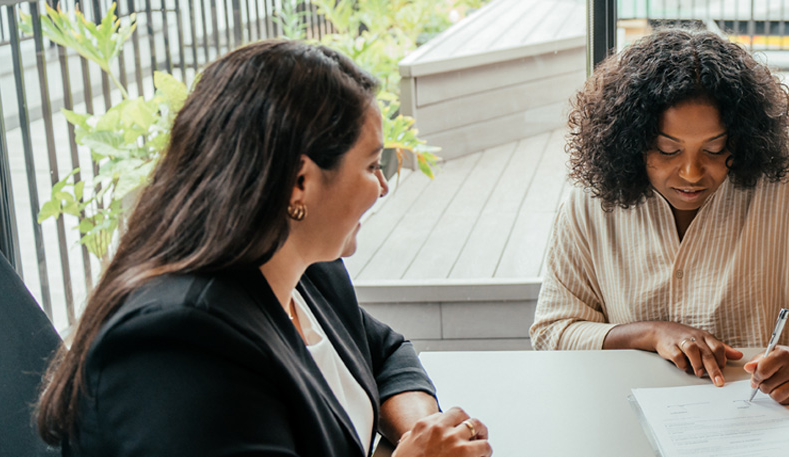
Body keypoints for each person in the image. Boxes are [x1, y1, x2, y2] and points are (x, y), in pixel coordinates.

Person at [34, 40, 491, 456]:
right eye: (372, 165)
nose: (384, 186)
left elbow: (387, 354)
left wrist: (424, 433)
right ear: (300, 182)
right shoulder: (177, 346)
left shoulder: (304, 269)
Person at [530, 28, 789, 405]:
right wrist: (650, 333)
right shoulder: (591, 199)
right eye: (667, 150)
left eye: (715, 148)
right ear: (630, 142)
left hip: (765, 412)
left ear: (741, 138)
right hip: (628, 408)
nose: (692, 173)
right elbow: (553, 332)